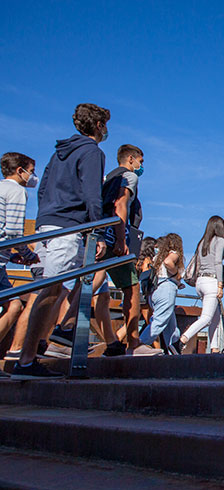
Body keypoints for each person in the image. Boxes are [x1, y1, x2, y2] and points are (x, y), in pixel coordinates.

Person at [13, 104, 110, 379]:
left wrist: (45, 217)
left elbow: (43, 188)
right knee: (52, 288)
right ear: (99, 125)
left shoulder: (59, 154)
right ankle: (28, 358)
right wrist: (98, 231)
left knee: (79, 279)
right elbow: (93, 193)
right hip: (68, 226)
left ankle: (57, 334)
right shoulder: (92, 151)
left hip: (49, 223)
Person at [99, 143, 158, 356]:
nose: (141, 166)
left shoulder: (108, 177)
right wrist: (121, 239)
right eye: (140, 162)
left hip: (98, 235)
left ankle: (108, 341)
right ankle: (133, 344)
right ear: (131, 159)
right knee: (132, 287)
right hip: (115, 238)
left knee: (96, 288)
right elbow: (121, 205)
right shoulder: (129, 176)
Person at [0, 153, 41, 370]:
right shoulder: (16, 191)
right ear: (20, 171)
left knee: (13, 304)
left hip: (2, 260)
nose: (32, 177)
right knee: (14, 306)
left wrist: (11, 255)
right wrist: (28, 255)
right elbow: (15, 232)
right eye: (31, 171)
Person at [180, 215, 224, 353]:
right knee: (206, 318)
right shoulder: (220, 240)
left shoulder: (202, 243)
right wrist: (220, 284)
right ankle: (182, 340)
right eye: (223, 225)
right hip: (211, 281)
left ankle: (215, 348)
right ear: (218, 226)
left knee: (216, 317)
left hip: (200, 282)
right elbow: (218, 262)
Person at [140, 234, 185, 352]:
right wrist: (176, 274)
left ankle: (173, 350)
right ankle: (138, 345)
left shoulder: (157, 256)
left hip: (155, 290)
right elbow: (168, 262)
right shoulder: (173, 253)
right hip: (166, 290)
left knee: (172, 328)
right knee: (158, 322)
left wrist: (176, 282)